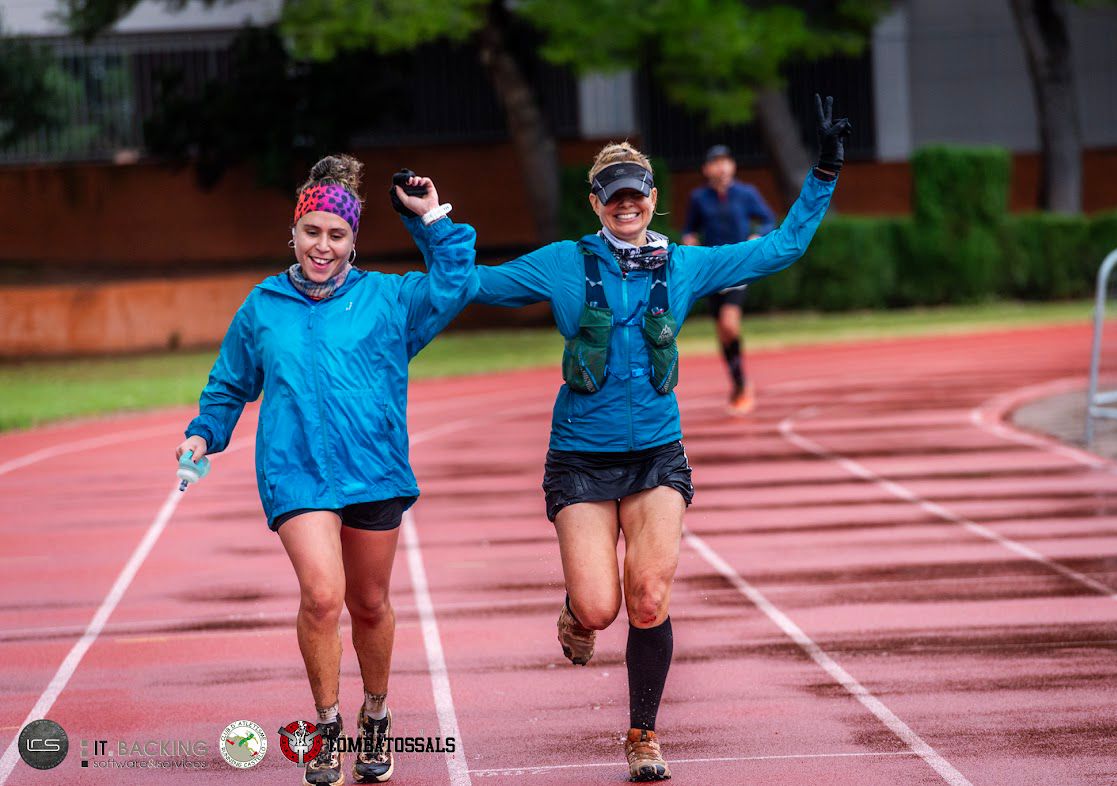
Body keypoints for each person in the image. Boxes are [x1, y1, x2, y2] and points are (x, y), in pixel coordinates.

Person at [471, 95, 850, 781]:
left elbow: (781, 247)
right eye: (613, 195)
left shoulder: (684, 265)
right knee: (600, 606)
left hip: (655, 455)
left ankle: (642, 733)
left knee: (647, 596)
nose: (626, 205)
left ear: (652, 198)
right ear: (595, 202)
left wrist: (822, 172)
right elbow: (474, 283)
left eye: (636, 194)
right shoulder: (562, 263)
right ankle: (578, 610)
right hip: (580, 458)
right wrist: (432, 223)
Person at [175, 154, 476, 786]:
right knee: (321, 596)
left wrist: (430, 220)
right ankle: (327, 725)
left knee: (369, 603)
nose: (322, 245)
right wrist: (204, 433)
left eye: (336, 234)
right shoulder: (264, 305)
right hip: (297, 471)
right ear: (293, 232)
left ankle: (376, 713)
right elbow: (230, 383)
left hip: (374, 469)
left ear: (353, 240)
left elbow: (454, 284)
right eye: (311, 231)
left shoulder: (389, 299)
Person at [681, 144, 776, 415]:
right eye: (715, 162)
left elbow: (768, 219)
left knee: (729, 324)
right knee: (723, 333)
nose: (721, 167)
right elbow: (689, 229)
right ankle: (738, 384)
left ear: (732, 166)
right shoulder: (699, 198)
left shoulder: (746, 193)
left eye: (725, 161)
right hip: (711, 271)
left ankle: (742, 385)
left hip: (738, 268)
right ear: (706, 169)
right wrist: (689, 241)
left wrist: (757, 235)